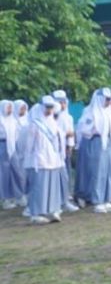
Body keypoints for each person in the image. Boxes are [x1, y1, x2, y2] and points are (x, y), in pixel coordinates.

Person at [23, 96, 66, 224]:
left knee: (52, 186)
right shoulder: (35, 124)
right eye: (47, 107)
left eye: (51, 107)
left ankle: (52, 210)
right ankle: (36, 214)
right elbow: (29, 146)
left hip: (53, 159)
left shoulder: (54, 123)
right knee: (39, 187)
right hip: (39, 160)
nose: (49, 110)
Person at [78, 88, 111, 213]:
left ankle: (107, 199)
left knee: (108, 171)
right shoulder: (91, 112)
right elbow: (83, 128)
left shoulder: (108, 112)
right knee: (98, 172)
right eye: (106, 99)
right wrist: (94, 130)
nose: (108, 101)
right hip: (96, 142)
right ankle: (97, 200)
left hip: (108, 142)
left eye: (109, 99)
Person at [52, 89, 78, 207]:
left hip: (66, 149)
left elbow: (71, 133)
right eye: (59, 102)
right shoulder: (53, 117)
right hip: (55, 149)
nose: (62, 105)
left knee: (67, 172)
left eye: (63, 102)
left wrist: (70, 146)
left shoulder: (68, 117)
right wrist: (66, 134)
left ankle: (67, 194)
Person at [0, 100, 20, 209]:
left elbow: (16, 134)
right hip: (2, 146)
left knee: (16, 171)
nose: (10, 110)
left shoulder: (13, 120)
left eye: (11, 107)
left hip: (13, 146)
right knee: (4, 174)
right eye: (8, 107)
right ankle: (5, 199)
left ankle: (17, 195)